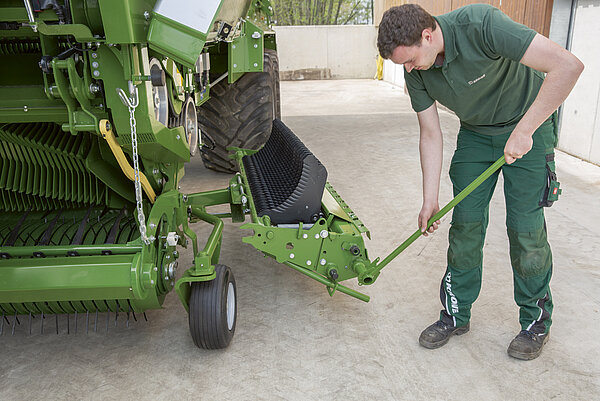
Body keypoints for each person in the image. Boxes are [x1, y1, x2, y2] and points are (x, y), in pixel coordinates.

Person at [377, 3, 583, 360]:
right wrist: (429, 199)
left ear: (428, 36)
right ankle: (455, 314)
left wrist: (525, 130)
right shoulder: (417, 71)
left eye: (409, 60)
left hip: (527, 125)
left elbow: (568, 65)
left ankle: (535, 322)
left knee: (524, 229)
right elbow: (430, 133)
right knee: (465, 225)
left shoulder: (481, 25)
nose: (408, 69)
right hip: (476, 134)